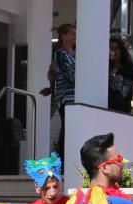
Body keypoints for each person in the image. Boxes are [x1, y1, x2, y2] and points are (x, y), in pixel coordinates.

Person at [52, 24, 76, 156]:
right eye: (72, 34)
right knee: (66, 130)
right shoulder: (61, 54)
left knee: (69, 130)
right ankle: (62, 162)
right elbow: (71, 76)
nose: (75, 36)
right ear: (63, 37)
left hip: (72, 98)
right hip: (66, 99)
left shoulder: (71, 55)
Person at [107, 37, 133, 114]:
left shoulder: (127, 64)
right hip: (110, 105)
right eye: (111, 49)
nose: (114, 51)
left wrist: (119, 69)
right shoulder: (107, 65)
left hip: (124, 106)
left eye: (116, 48)